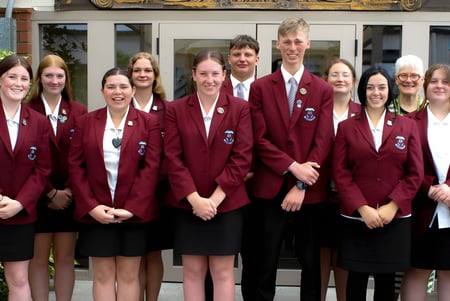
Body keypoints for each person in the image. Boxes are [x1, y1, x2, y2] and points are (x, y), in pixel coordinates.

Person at [241, 17, 334, 301]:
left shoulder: (322, 89)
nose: (292, 47)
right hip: (270, 189)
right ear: (278, 44)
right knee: (264, 261)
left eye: (298, 41)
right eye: (287, 42)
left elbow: (323, 140)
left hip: (309, 192)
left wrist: (301, 185)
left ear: (308, 43)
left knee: (310, 263)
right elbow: (258, 139)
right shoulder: (260, 87)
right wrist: (293, 167)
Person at [164, 49, 253, 301]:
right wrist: (195, 200)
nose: (209, 79)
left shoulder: (240, 109)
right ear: (193, 75)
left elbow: (242, 157)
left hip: (226, 205)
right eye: (203, 73)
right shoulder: (176, 109)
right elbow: (173, 158)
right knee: (193, 270)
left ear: (224, 75)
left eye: (215, 73)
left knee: (222, 270)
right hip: (188, 205)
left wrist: (213, 201)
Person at [68, 67, 162, 301]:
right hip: (97, 213)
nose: (117, 92)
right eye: (111, 86)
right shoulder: (86, 122)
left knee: (130, 276)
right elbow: (75, 167)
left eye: (123, 86)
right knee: (102, 276)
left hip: (133, 214)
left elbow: (151, 168)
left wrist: (131, 208)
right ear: (102, 91)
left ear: (132, 90)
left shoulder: (149, 123)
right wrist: (91, 207)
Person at [333, 66, 423, 301]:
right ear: (362, 90)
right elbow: (341, 173)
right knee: (356, 278)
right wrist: (362, 208)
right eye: (370, 87)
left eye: (382, 87)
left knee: (386, 281)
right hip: (356, 217)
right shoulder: (346, 127)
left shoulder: (407, 126)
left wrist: (392, 206)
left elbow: (415, 173)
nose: (376, 92)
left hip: (394, 218)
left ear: (389, 90)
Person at [27, 54, 87, 301]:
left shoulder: (78, 111)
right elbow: (25, 160)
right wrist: (50, 192)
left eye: (59, 75)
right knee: (38, 259)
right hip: (36, 196)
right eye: (48, 75)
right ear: (40, 79)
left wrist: (70, 191)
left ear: (66, 78)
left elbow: (84, 157)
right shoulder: (27, 110)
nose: (54, 80)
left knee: (64, 259)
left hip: (69, 197)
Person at [0, 54, 51, 300]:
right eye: (12, 77)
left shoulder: (39, 123)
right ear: (0, 79)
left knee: (19, 278)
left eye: (24, 78)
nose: (18, 83)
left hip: (19, 213)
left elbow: (42, 169)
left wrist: (20, 203)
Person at [401, 64, 450, 301]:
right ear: (425, 86)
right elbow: (403, 165)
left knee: (449, 272)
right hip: (421, 207)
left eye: (445, 81)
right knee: (416, 269)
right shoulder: (410, 122)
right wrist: (429, 187)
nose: (439, 86)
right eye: (434, 81)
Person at [127, 52, 172, 301]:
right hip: (127, 192)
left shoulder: (167, 109)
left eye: (147, 70)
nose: (142, 75)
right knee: (134, 254)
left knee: (153, 253)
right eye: (137, 70)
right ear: (130, 74)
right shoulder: (121, 103)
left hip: (158, 192)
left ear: (155, 76)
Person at [320, 58, 360, 301]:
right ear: (326, 80)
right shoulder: (315, 112)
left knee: (346, 257)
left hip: (351, 197)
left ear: (353, 81)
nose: (340, 79)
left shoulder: (363, 112)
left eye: (345, 75)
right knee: (320, 256)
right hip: (320, 193)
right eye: (334, 74)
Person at [389, 54, 425, 301]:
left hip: (425, 197)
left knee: (420, 262)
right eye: (403, 75)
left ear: (422, 80)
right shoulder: (384, 109)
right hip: (393, 198)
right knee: (393, 264)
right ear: (396, 79)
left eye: (414, 76)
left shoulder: (432, 109)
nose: (409, 80)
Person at [221, 34, 259, 101]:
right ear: (229, 59)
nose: (242, 59)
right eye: (237, 54)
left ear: (256, 60)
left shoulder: (266, 91)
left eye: (248, 55)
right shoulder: (216, 90)